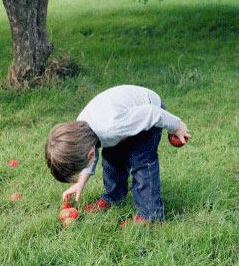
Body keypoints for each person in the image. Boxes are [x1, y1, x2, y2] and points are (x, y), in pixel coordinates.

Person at [45, 85, 191, 224]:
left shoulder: (112, 126)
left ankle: (151, 216)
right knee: (112, 159)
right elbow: (91, 152)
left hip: (149, 113)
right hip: (123, 119)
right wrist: (80, 183)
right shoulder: (81, 131)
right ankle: (114, 197)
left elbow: (152, 112)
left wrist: (177, 126)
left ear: (89, 154)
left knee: (142, 162)